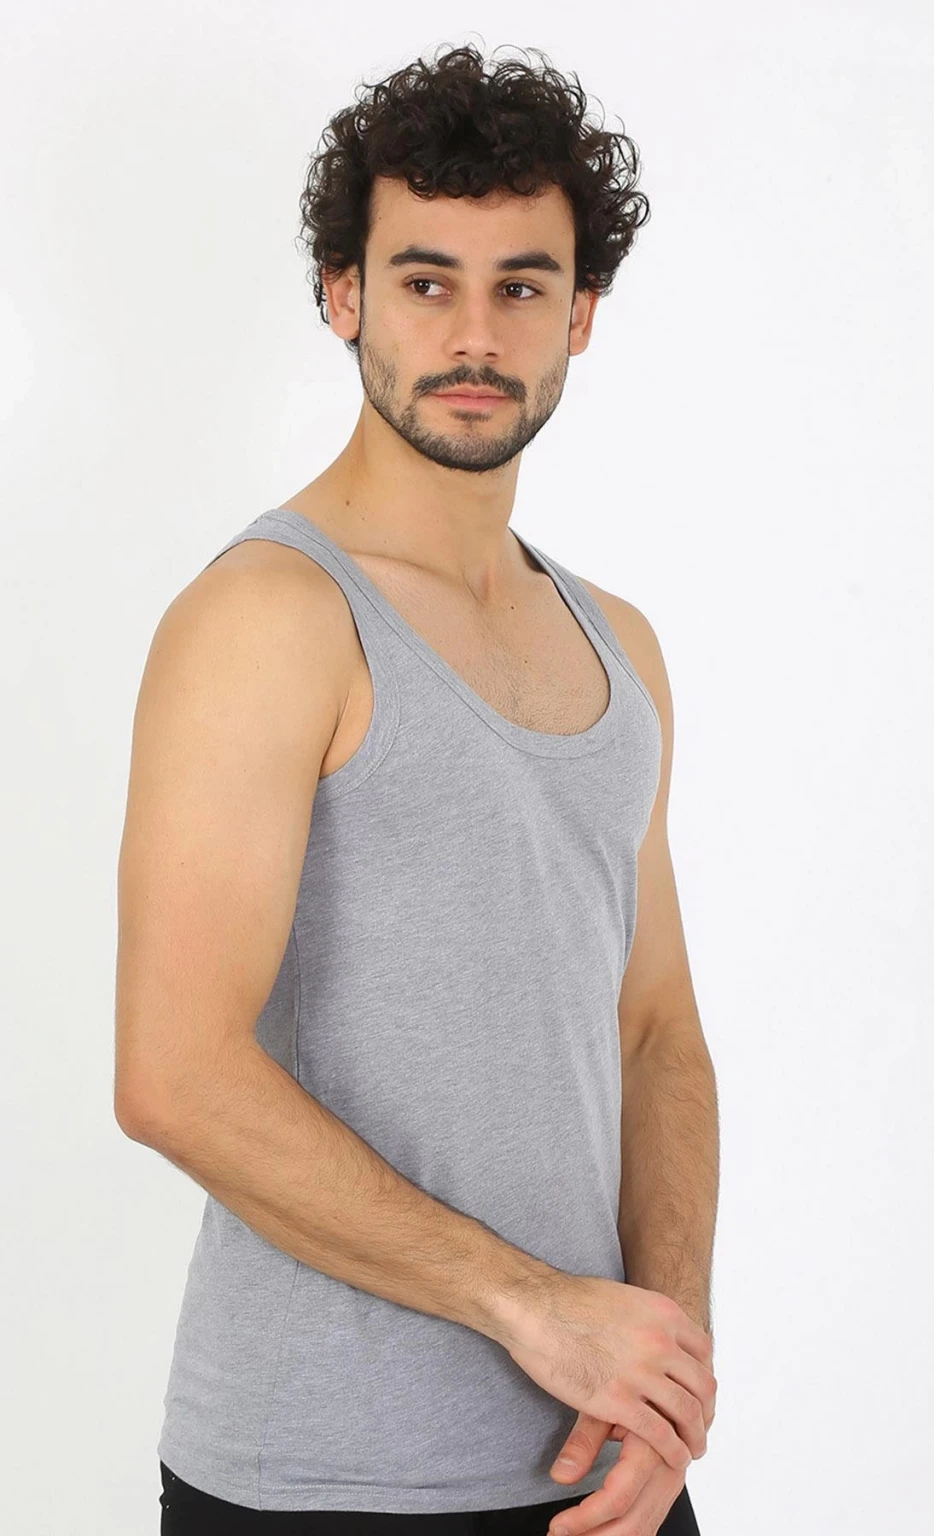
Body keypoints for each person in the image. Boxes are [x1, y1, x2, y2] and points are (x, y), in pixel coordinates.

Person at [114, 41, 719, 1536]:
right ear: (345, 297)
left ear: (581, 316)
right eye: (425, 280)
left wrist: (665, 1369)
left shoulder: (620, 642)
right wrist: (532, 1306)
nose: (474, 333)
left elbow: (657, 1032)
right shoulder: (269, 619)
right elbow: (173, 1074)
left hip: (601, 1467)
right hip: (323, 1481)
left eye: (521, 286)